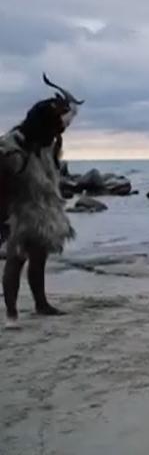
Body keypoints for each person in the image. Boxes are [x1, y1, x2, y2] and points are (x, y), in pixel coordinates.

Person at [1, 74, 82, 329]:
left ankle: (41, 304)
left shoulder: (47, 143)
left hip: (43, 206)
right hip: (19, 208)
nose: (63, 128)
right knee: (16, 258)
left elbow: (53, 171)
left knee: (39, 256)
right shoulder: (13, 146)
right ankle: (11, 313)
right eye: (60, 123)